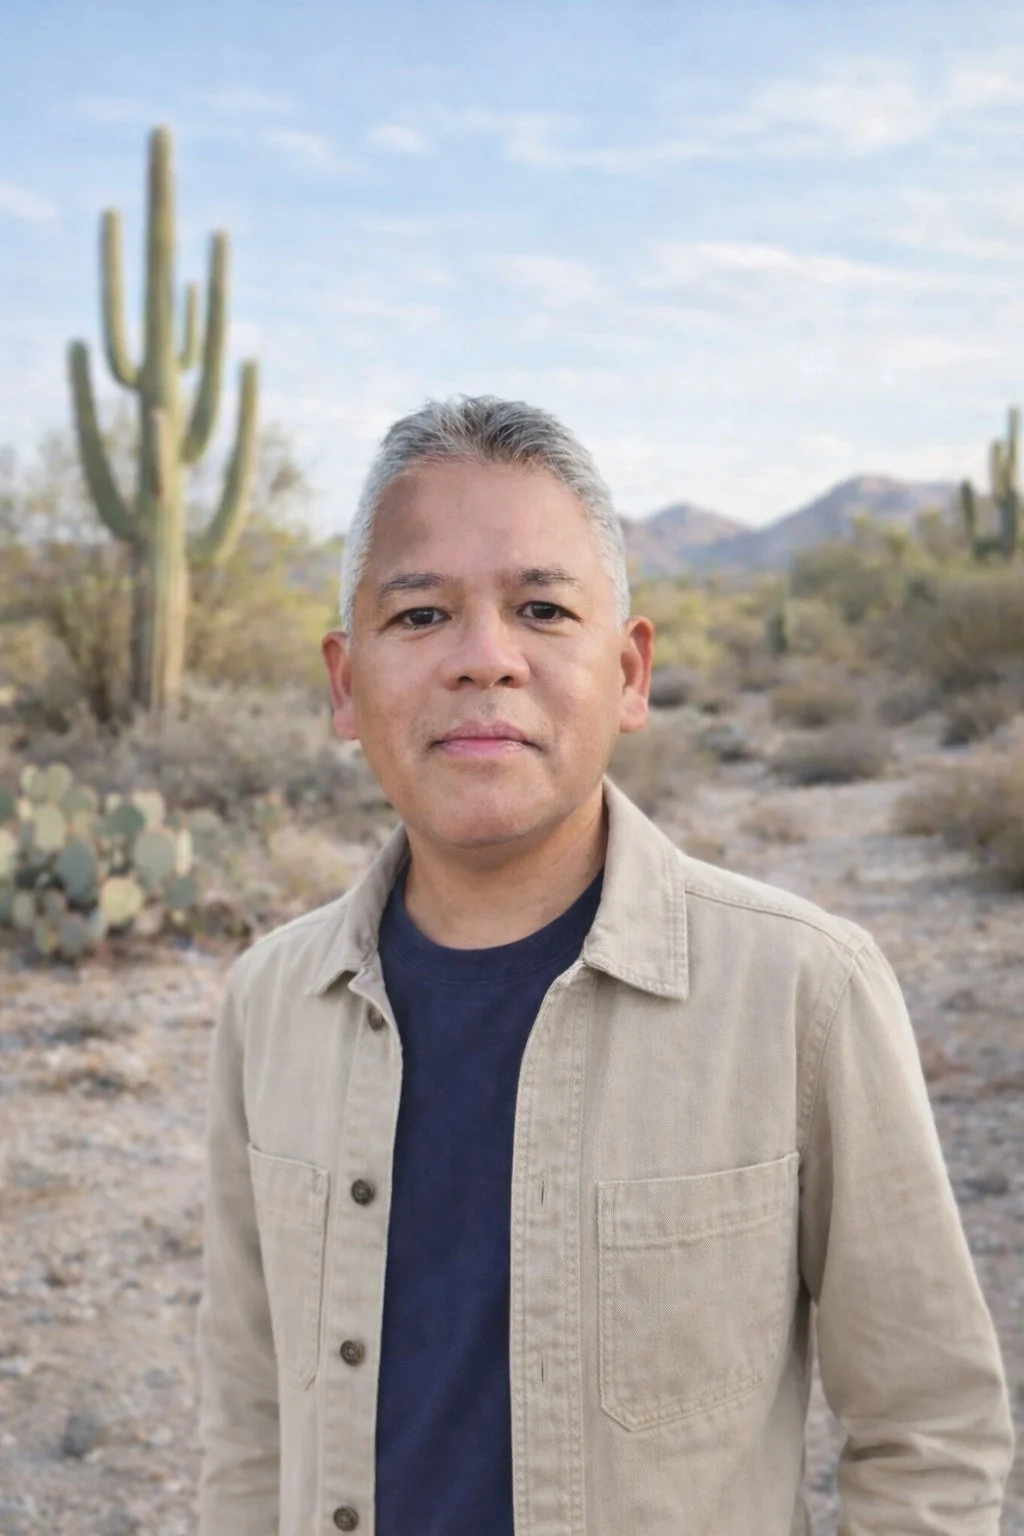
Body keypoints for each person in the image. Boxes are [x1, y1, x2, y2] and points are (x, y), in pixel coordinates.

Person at [194, 395, 1013, 1536]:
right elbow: (248, 1414)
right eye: (422, 613)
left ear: (629, 673)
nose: (485, 660)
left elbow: (930, 1433)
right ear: (345, 684)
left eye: (540, 608)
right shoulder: (270, 1002)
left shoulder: (801, 991)